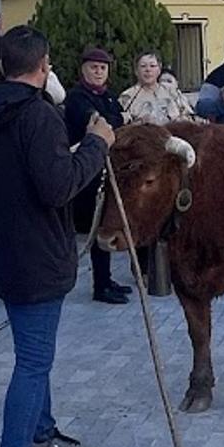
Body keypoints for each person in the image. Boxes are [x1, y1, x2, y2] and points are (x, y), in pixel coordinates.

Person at [0, 25, 113, 447]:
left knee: (33, 354)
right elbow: (59, 186)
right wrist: (96, 146)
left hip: (6, 254)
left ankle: (42, 436)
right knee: (32, 364)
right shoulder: (39, 117)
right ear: (43, 67)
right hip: (38, 259)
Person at [64, 47, 132, 305]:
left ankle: (105, 279)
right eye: (94, 67)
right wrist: (116, 120)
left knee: (106, 223)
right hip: (86, 171)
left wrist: (116, 120)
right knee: (96, 228)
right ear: (83, 69)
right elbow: (100, 124)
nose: (99, 72)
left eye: (103, 68)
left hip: (108, 168)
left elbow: (118, 122)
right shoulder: (77, 98)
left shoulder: (110, 97)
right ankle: (100, 285)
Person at [118, 51, 195, 125]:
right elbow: (120, 125)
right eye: (143, 66)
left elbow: (190, 117)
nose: (148, 70)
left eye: (152, 66)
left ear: (159, 70)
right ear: (136, 71)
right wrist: (141, 122)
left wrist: (180, 120)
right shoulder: (127, 97)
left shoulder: (171, 91)